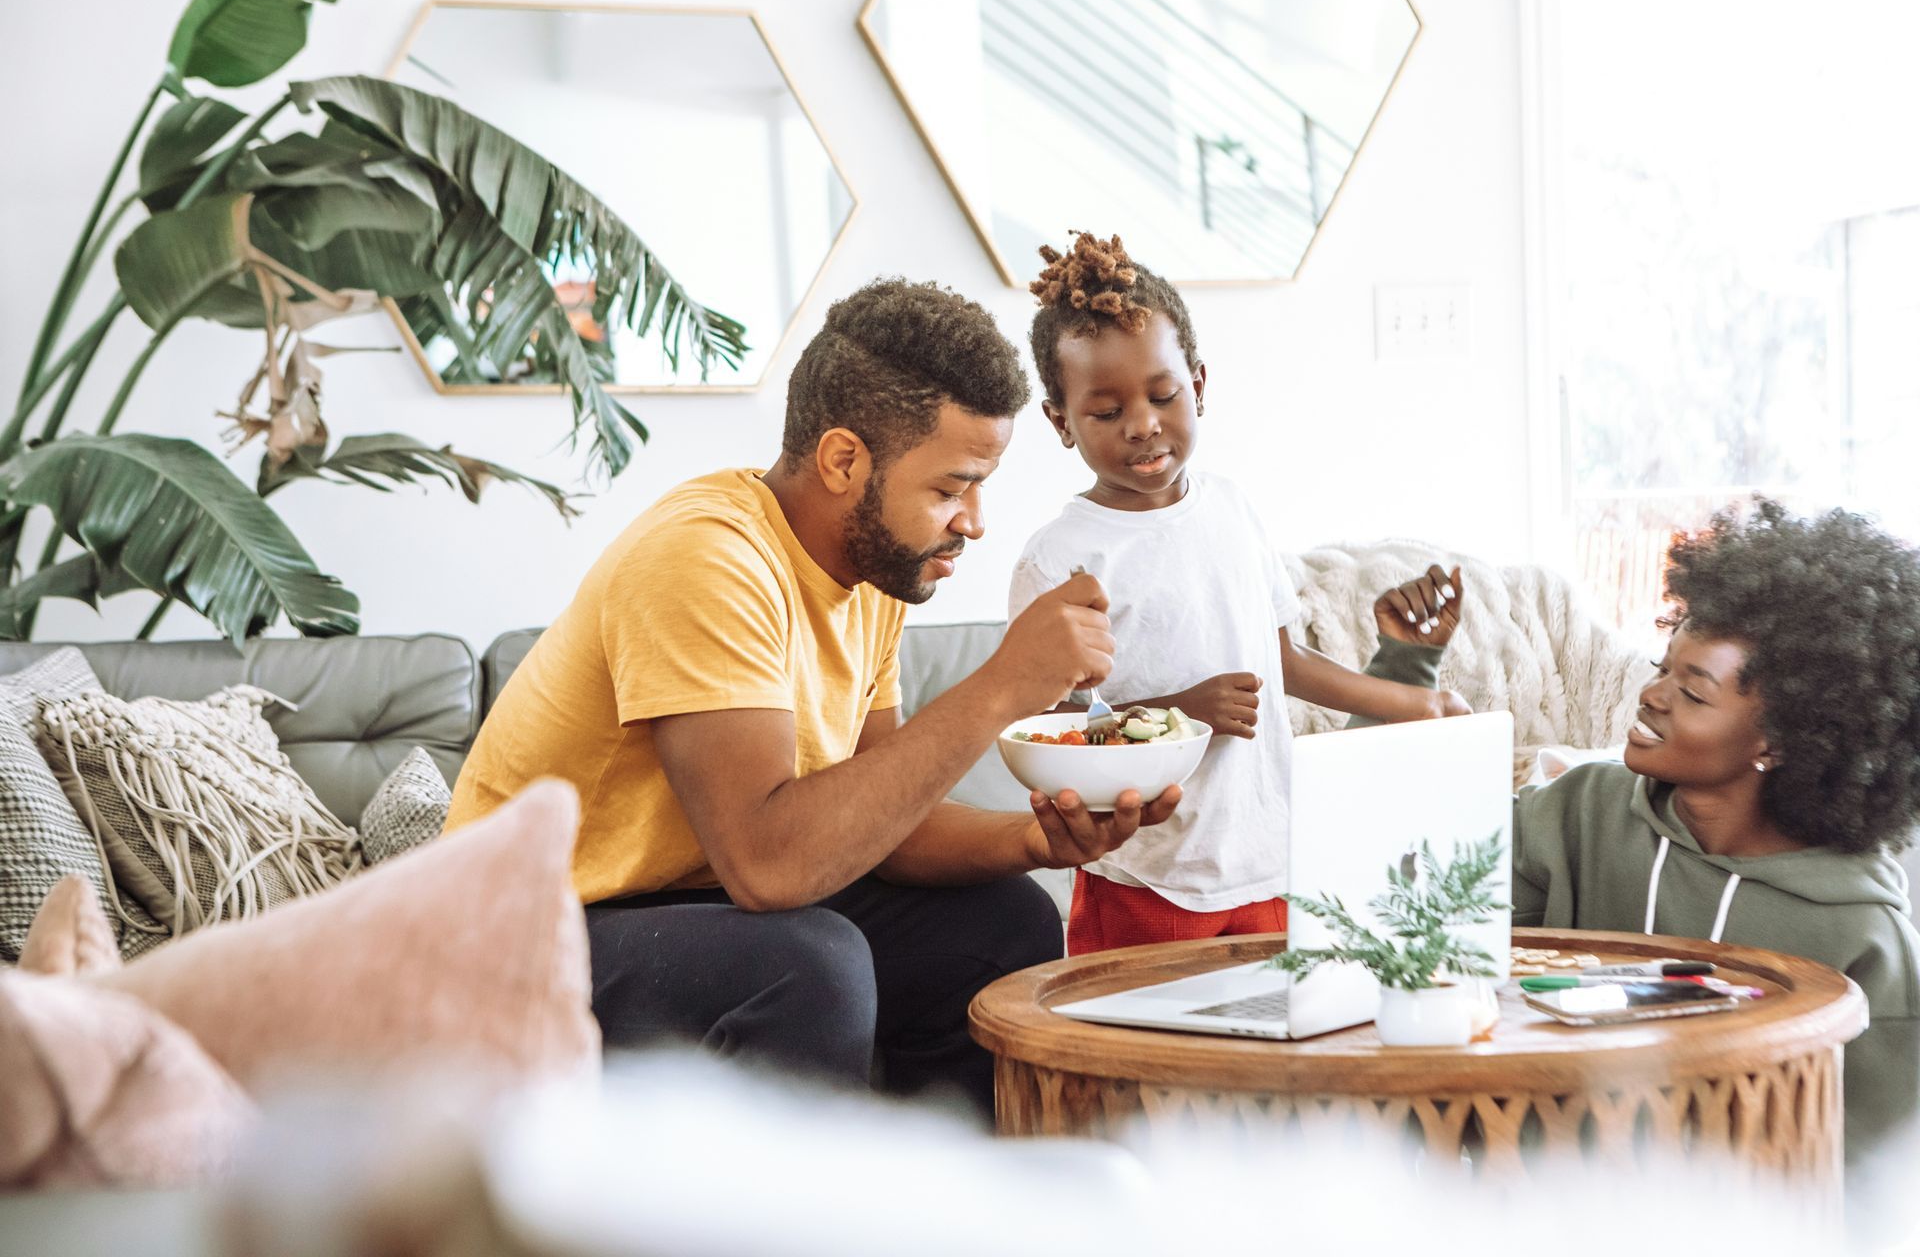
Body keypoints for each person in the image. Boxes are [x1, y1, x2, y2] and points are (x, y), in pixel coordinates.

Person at [444, 278, 1183, 1120]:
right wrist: (1005, 683)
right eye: (951, 487)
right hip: (515, 936)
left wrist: (1038, 839)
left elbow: (879, 824)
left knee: (1002, 923)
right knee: (807, 962)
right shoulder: (707, 560)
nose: (973, 521)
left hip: (695, 903)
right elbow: (769, 865)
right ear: (843, 461)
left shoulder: (874, 570)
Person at [1358, 499, 1920, 1167]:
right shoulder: (1581, 814)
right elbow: (1394, 895)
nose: (1652, 696)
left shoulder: (1862, 934)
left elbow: (1873, 1176)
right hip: (1525, 1204)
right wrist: (1401, 671)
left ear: (1781, 740)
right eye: (1662, 669)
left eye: (1694, 691)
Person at [1009, 231, 1468, 956]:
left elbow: (1279, 660)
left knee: (1271, 1056)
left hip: (1270, 866)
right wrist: (1178, 716)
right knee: (1141, 1064)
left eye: (1163, 395)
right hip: (1148, 881)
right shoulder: (1060, 558)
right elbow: (1050, 730)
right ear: (1060, 421)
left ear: (1198, 385)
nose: (1142, 424)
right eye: (1105, 411)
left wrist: (1419, 703)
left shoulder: (1232, 509)